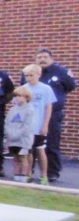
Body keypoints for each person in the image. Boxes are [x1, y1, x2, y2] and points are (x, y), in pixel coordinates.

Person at [29, 48, 74, 182]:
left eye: (45, 57)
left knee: (52, 144)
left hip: (53, 114)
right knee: (30, 143)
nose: (42, 59)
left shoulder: (61, 72)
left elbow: (70, 86)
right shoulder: (31, 72)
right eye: (39, 57)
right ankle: (28, 171)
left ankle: (52, 172)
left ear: (51, 58)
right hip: (33, 114)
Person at [23, 63, 55, 185]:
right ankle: (28, 174)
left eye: (31, 75)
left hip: (39, 126)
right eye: (26, 76)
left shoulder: (46, 89)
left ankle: (44, 175)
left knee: (40, 150)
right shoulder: (24, 88)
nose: (29, 78)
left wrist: (45, 125)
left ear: (39, 75)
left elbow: (48, 107)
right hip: (27, 127)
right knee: (28, 151)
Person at [3, 86, 35, 183]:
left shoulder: (30, 110)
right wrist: (8, 133)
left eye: (20, 96)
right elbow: (7, 122)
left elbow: (27, 126)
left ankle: (24, 176)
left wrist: (17, 134)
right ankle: (16, 175)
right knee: (15, 157)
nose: (17, 98)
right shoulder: (13, 109)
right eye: (16, 96)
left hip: (23, 139)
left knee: (23, 157)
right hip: (12, 138)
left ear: (27, 97)